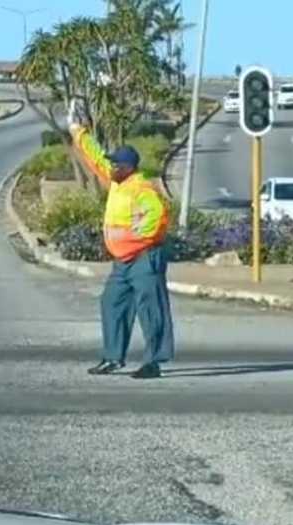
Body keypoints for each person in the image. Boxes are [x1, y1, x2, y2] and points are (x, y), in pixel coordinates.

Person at [66, 100, 175, 379]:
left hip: (143, 258)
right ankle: (113, 357)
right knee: (112, 303)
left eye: (116, 163)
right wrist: (78, 131)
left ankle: (153, 363)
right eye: (112, 163)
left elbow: (159, 215)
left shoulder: (142, 188)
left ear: (128, 167)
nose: (111, 165)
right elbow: (96, 157)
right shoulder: (117, 181)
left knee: (150, 309)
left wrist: (137, 237)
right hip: (123, 262)